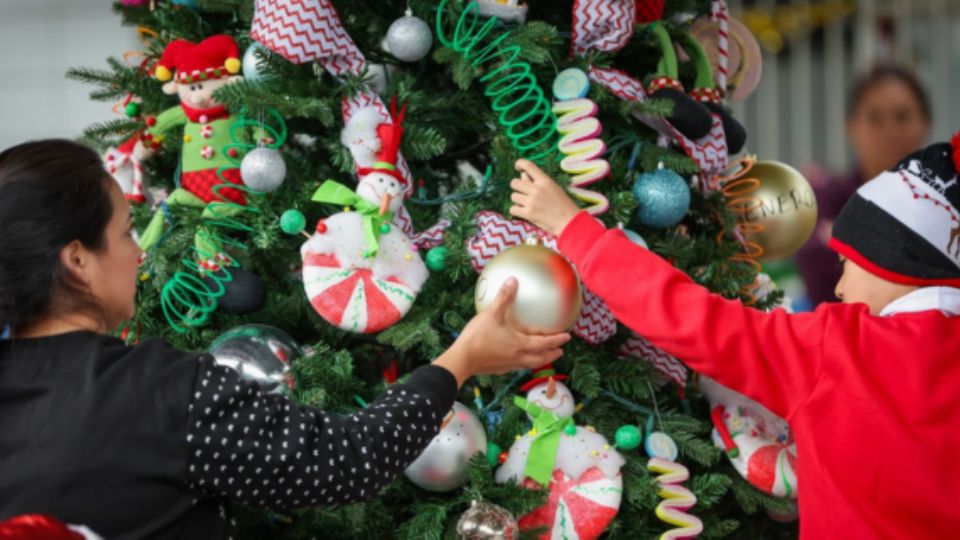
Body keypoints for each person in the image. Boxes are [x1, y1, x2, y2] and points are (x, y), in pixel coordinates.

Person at [0, 139, 570, 539]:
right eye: (126, 232)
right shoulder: (158, 391)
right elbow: (347, 460)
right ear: (77, 260)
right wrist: (461, 359)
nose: (139, 253)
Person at [508, 138, 960, 538]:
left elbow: (691, 319)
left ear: (891, 262)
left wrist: (575, 231)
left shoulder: (838, 346)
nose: (840, 287)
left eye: (846, 263)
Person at [797, 65, 931, 304]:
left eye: (902, 117)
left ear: (925, 123)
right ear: (851, 126)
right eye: (875, 118)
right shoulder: (826, 200)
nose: (891, 131)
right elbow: (819, 279)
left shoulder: (947, 201)